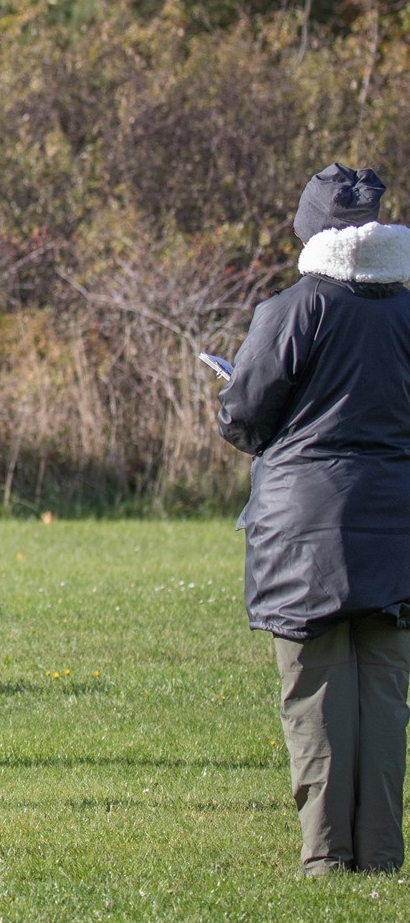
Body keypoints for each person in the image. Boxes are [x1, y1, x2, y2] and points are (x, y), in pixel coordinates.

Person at [218, 162, 410, 877]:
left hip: (303, 533)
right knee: (385, 698)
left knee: (313, 695)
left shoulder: (292, 309)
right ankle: (382, 855)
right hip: (396, 527)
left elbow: (241, 415)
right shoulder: (406, 311)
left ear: (308, 231)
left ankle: (326, 856)